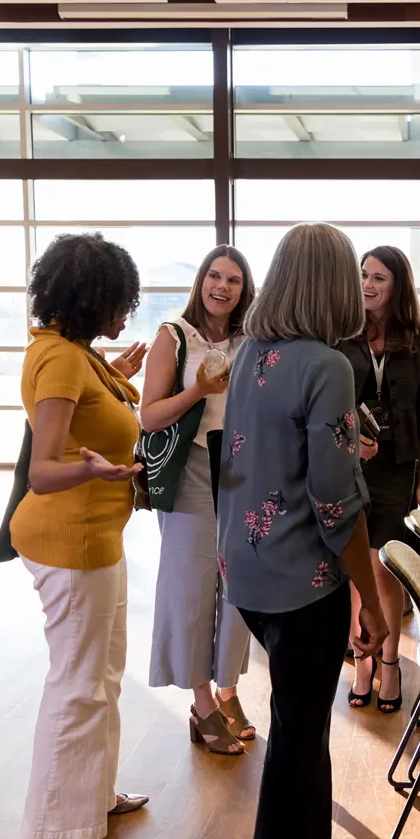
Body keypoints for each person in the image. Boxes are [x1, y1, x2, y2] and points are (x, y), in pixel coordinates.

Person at [217, 223, 388, 839]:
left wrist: (345, 455)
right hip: (302, 579)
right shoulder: (328, 365)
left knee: (292, 728)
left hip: (249, 570)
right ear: (334, 283)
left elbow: (266, 460)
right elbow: (333, 502)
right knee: (298, 737)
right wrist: (371, 601)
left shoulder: (252, 350)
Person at [9, 233, 148, 839]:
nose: (126, 314)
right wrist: (98, 471)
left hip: (95, 538)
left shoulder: (74, 353)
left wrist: (117, 378)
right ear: (91, 299)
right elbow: (43, 469)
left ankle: (89, 792)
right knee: (79, 684)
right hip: (71, 541)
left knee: (101, 675)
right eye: (120, 301)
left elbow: (84, 413)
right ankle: (64, 826)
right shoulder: (64, 361)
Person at [141, 246, 256, 756]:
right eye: (214, 275)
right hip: (188, 473)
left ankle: (228, 687)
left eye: (233, 279)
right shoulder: (173, 337)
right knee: (192, 589)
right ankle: (203, 702)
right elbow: (149, 416)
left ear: (243, 290)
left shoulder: (251, 341)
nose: (222, 286)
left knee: (237, 587)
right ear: (201, 281)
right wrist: (200, 391)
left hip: (241, 473)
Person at [339, 246, 420, 713]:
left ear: (398, 283)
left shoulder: (419, 333)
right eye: (363, 275)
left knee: (387, 566)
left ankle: (391, 663)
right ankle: (361, 660)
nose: (368, 284)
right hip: (350, 464)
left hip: (398, 468)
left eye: (379, 277)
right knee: (358, 563)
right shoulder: (344, 329)